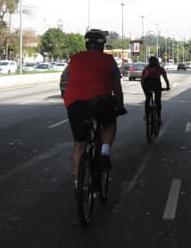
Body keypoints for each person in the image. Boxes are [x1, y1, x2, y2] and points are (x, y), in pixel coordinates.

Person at [63, 29, 126, 191]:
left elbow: (66, 81)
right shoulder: (108, 59)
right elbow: (116, 86)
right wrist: (120, 106)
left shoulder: (75, 58)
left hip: (75, 103)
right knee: (110, 123)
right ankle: (104, 151)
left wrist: (68, 101)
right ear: (102, 46)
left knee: (79, 143)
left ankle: (78, 183)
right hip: (101, 101)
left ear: (86, 45)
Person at [141, 56, 170, 123]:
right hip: (156, 85)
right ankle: (159, 117)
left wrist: (143, 87)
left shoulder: (146, 69)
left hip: (147, 85)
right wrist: (167, 86)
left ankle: (147, 115)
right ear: (157, 62)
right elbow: (165, 79)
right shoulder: (160, 69)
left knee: (148, 99)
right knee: (158, 101)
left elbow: (142, 80)